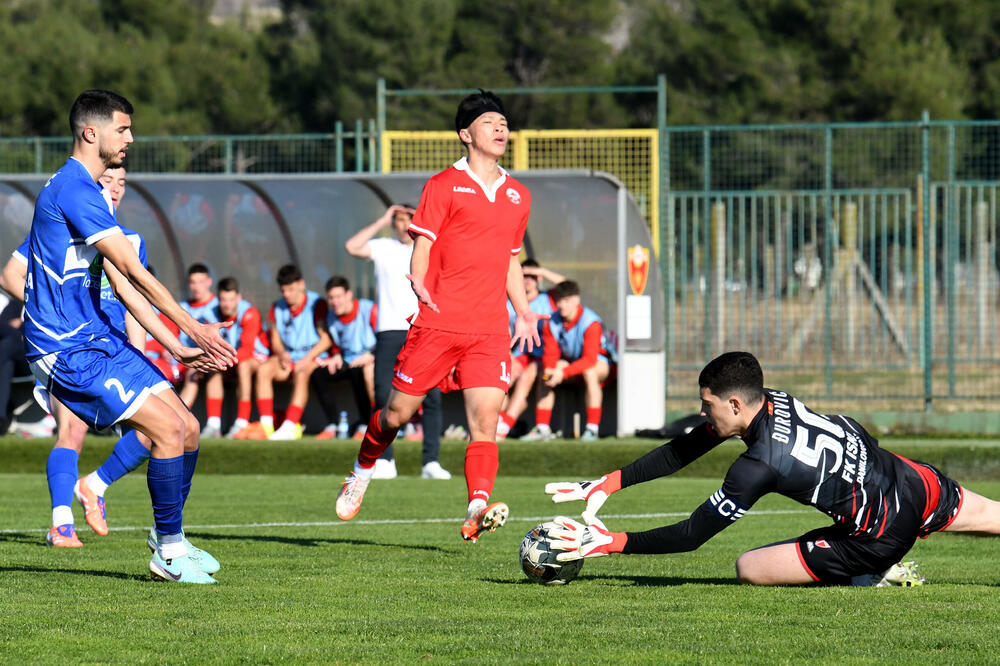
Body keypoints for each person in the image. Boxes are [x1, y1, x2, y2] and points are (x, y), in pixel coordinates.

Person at [544, 351, 1000, 586]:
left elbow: (692, 535)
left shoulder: (757, 466)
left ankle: (872, 572)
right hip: (914, 479)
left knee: (750, 567)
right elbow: (686, 449)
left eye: (707, 405)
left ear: (736, 402)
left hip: (879, 537)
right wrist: (612, 481)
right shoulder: (776, 398)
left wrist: (610, 542)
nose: (703, 415)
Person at [23, 89, 235, 583]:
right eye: (123, 129)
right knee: (162, 431)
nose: (131, 138)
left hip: (96, 337)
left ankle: (170, 539)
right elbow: (133, 271)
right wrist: (194, 326)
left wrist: (177, 346)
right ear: (90, 133)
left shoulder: (92, 192)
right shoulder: (73, 190)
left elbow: (122, 284)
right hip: (65, 347)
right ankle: (169, 551)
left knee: (186, 426)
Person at [335, 89, 546, 542]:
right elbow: (423, 244)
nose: (500, 128)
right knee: (394, 415)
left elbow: (512, 258)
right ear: (465, 134)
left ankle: (477, 508)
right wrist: (417, 278)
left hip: (490, 329)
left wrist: (524, 312)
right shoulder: (443, 185)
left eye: (504, 122)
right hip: (437, 321)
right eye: (490, 122)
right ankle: (362, 469)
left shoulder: (517, 195)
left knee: (485, 421)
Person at [344, 203, 450, 480]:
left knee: (432, 396)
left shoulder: (430, 247)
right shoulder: (383, 248)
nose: (404, 225)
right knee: (383, 396)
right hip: (389, 331)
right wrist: (382, 219)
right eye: (399, 220)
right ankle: (386, 460)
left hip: (425, 329)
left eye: (410, 219)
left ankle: (430, 462)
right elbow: (352, 247)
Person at [235, 264, 327, 441]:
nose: (287, 295)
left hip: (314, 358)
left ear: (301, 284)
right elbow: (275, 339)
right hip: (289, 357)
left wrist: (306, 359)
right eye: (283, 290)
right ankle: (266, 425)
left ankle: (290, 426)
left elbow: (326, 340)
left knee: (301, 371)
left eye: (291, 289)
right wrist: (282, 354)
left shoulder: (317, 303)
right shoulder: (277, 307)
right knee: (264, 369)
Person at [521, 280, 612, 442]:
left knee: (589, 372)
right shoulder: (552, 321)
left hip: (600, 364)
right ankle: (542, 428)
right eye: (559, 300)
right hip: (571, 364)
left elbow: (590, 359)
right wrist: (550, 370)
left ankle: (592, 429)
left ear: (576, 300)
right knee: (545, 372)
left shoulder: (591, 322)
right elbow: (550, 353)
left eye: (566, 300)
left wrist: (563, 372)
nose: (562, 305)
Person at [496, 259, 562, 440]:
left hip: (546, 354)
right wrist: (508, 354)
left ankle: (505, 425)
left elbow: (568, 286)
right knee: (503, 377)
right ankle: (494, 422)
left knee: (529, 376)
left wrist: (541, 270)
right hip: (521, 352)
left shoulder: (547, 298)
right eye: (524, 275)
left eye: (532, 276)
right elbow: (504, 329)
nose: (528, 280)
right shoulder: (510, 300)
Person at [311, 276, 377, 440]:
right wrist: (336, 356)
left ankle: (366, 422)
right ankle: (333, 425)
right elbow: (337, 345)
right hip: (349, 361)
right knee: (318, 374)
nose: (335, 302)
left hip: (373, 359)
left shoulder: (370, 310)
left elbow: (386, 339)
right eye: (331, 298)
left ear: (349, 295)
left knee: (358, 371)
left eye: (338, 296)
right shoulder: (331, 317)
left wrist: (372, 355)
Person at [214, 277, 269, 438]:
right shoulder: (212, 313)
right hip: (232, 360)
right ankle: (213, 424)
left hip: (257, 358)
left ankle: (242, 421)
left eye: (231, 300)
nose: (227, 304)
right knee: (211, 369)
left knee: (243, 364)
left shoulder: (249, 313)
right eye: (223, 300)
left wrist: (222, 359)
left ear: (238, 298)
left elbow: (247, 349)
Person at [176, 263, 224, 437]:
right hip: (184, 360)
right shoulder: (181, 308)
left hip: (217, 360)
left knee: (211, 367)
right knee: (194, 370)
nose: (196, 286)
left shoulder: (221, 305)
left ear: (209, 282)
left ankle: (213, 425)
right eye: (192, 282)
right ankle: (177, 419)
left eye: (201, 281)